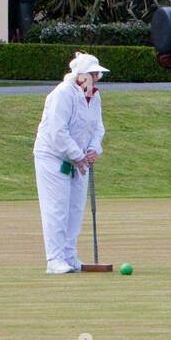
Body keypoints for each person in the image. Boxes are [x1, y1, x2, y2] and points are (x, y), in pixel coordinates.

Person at [33, 52, 108, 274]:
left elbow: (97, 128)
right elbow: (58, 132)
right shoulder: (62, 94)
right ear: (81, 76)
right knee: (57, 208)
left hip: (79, 159)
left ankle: (69, 255)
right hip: (53, 157)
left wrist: (94, 148)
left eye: (98, 75)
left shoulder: (95, 97)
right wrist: (78, 155)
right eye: (93, 74)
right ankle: (54, 260)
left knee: (75, 207)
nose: (96, 79)